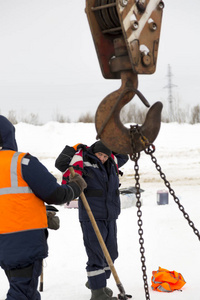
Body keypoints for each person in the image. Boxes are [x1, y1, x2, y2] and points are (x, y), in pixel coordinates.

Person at [0, 115, 87, 300]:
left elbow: (8, 202)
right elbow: (54, 194)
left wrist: (38, 211)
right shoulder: (22, 162)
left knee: (27, 292)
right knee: (22, 293)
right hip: (22, 242)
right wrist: (76, 187)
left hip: (5, 245)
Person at [55, 141, 129, 300]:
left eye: (105, 155)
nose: (102, 158)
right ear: (94, 151)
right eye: (100, 155)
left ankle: (96, 282)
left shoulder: (111, 161)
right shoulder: (83, 161)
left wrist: (114, 138)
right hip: (91, 215)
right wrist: (73, 149)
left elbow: (124, 154)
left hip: (110, 214)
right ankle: (98, 293)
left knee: (111, 253)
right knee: (96, 254)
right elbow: (60, 164)